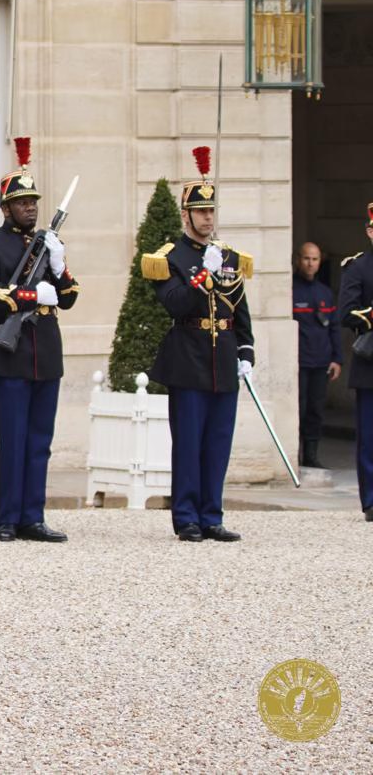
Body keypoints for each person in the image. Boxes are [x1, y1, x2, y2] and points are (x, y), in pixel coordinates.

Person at [0, 137, 77, 543]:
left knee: (40, 441)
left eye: (33, 202)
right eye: (22, 202)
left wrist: (59, 267)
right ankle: (7, 519)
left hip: (45, 352)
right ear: (6, 208)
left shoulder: (48, 244)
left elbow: (69, 297)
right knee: (13, 440)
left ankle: (33, 516)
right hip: (11, 352)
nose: (30, 207)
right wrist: (30, 295)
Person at [142, 146, 252, 542]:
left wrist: (246, 351)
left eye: (211, 211)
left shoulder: (228, 256)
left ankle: (212, 515)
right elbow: (174, 304)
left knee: (218, 442)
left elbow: (240, 308)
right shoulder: (168, 257)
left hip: (223, 357)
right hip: (188, 356)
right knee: (189, 443)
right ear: (185, 215)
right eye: (200, 211)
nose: (208, 218)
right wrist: (201, 277)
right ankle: (187, 517)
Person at [337, 207, 373, 522]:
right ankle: (372, 500)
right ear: (370, 232)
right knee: (370, 438)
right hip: (370, 364)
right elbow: (346, 313)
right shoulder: (358, 267)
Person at [293, 241, 340, 468]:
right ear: (298, 260)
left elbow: (334, 328)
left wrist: (337, 359)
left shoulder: (325, 293)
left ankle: (311, 457)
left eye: (315, 259)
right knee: (299, 410)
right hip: (299, 362)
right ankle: (294, 455)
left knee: (315, 411)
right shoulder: (290, 290)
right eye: (306, 258)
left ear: (320, 262)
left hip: (321, 362)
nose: (310, 263)